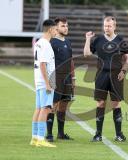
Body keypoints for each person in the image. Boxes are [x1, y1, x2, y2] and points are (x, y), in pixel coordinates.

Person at [83, 16, 128, 142]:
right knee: (100, 103)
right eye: (105, 26)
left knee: (116, 103)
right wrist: (88, 39)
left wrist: (123, 71)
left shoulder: (121, 40)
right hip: (101, 75)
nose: (107, 28)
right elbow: (87, 54)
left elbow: (127, 60)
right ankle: (98, 134)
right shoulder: (98, 40)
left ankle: (119, 134)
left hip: (116, 76)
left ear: (114, 26)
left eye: (109, 26)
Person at [46, 17, 75, 142]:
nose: (66, 28)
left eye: (67, 26)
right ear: (56, 28)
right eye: (63, 26)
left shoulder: (68, 42)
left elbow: (71, 60)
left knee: (64, 105)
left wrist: (73, 77)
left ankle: (61, 133)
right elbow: (46, 62)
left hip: (67, 78)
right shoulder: (51, 42)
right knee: (53, 105)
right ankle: (49, 134)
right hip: (56, 77)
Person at [30, 19, 57, 147]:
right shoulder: (46, 44)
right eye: (56, 29)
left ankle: (34, 138)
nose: (56, 31)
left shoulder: (39, 43)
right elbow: (42, 65)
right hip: (45, 82)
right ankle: (40, 139)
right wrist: (48, 83)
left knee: (39, 108)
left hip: (39, 80)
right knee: (46, 109)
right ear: (50, 29)